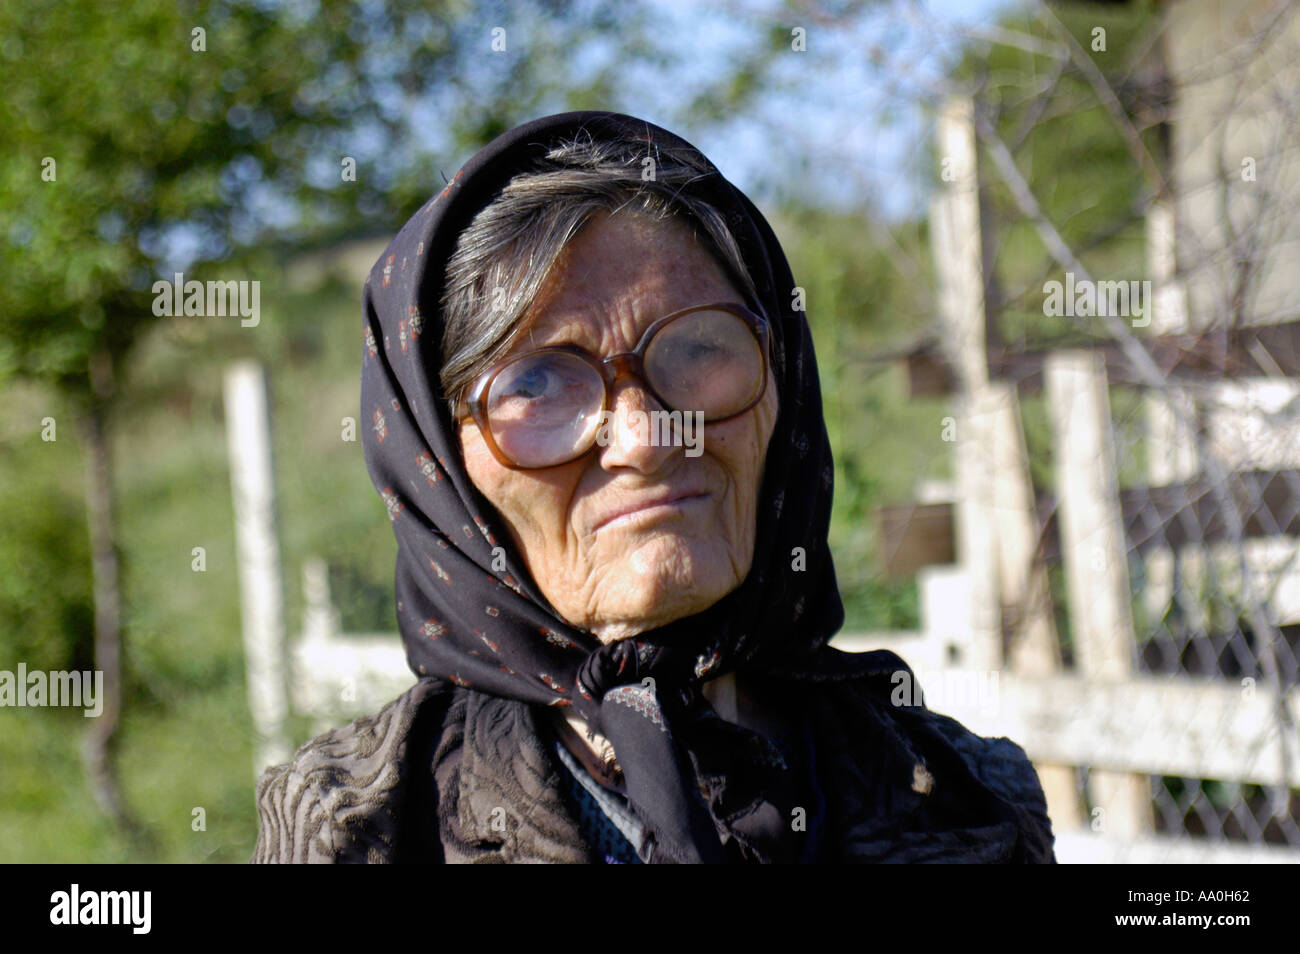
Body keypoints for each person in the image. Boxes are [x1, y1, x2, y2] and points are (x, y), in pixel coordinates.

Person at [251, 110, 1056, 864]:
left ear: (783, 375)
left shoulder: (966, 797)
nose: (643, 438)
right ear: (435, 456)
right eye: (535, 382)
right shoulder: (361, 827)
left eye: (700, 348)